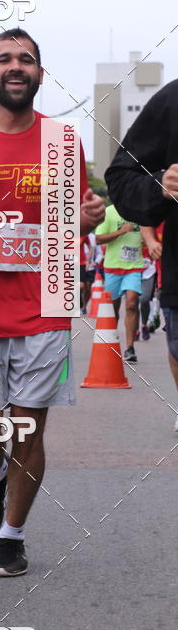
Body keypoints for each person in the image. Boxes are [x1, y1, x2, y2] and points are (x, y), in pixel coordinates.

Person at [0, 29, 105, 577]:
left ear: (39, 74)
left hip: (45, 301)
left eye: (25, 59)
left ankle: (12, 536)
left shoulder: (60, 141)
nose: (15, 66)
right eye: (4, 59)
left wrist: (87, 218)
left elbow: (75, 214)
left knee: (28, 428)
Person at [105, 79, 178, 431]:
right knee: (131, 302)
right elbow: (121, 177)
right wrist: (160, 185)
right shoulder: (173, 100)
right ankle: (128, 342)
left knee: (135, 301)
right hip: (146, 269)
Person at [95, 204, 144, 363]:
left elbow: (149, 233)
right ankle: (111, 342)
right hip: (112, 267)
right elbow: (98, 238)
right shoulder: (109, 211)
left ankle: (130, 348)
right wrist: (122, 231)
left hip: (134, 267)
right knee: (113, 309)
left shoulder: (140, 210)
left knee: (131, 303)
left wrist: (147, 240)